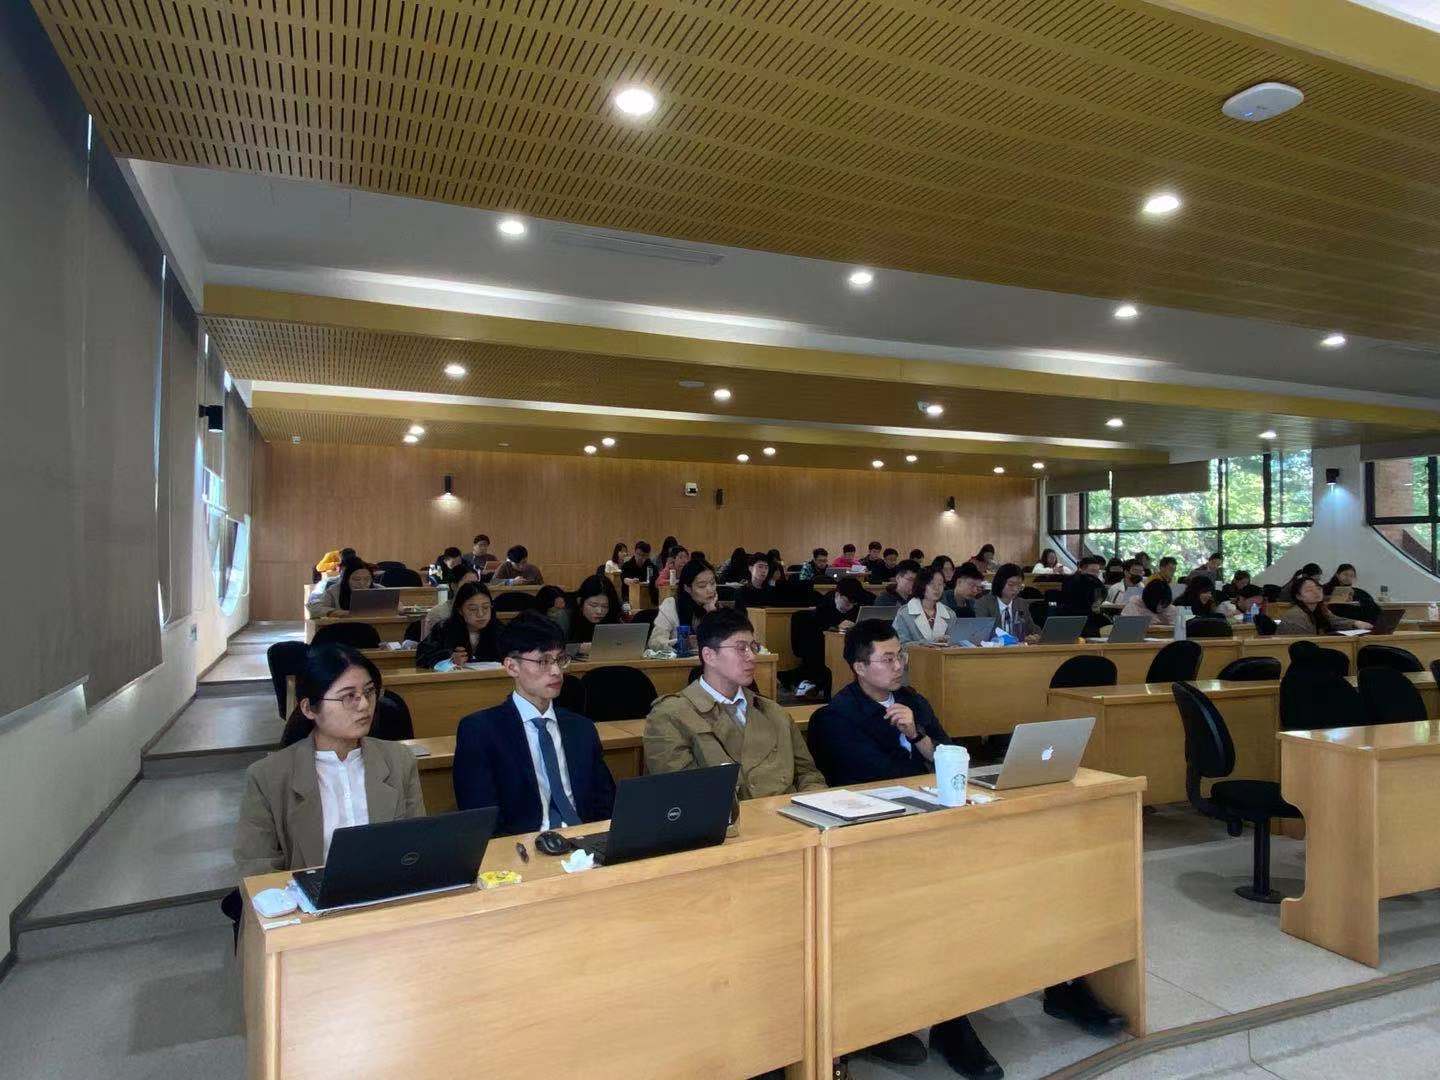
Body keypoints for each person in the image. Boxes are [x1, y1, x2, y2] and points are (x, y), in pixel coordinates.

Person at [807, 621, 1121, 1073]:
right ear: (859, 667)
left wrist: (919, 735)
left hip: (941, 820)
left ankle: (1065, 982)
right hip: (886, 841)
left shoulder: (913, 701)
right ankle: (951, 1021)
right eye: (887, 659)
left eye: (901, 656)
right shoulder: (836, 717)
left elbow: (954, 755)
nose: (899, 666)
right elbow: (875, 779)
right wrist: (923, 751)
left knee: (1043, 873)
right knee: (956, 905)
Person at [234, 645, 426, 878]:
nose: (364, 705)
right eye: (348, 696)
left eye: (369, 692)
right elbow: (258, 871)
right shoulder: (267, 777)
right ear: (309, 708)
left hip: (388, 891)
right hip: (305, 897)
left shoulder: (399, 760)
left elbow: (416, 849)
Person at [452, 614, 616, 836]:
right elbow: (480, 820)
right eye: (543, 661)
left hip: (586, 840)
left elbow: (606, 804)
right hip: (522, 846)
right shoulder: (480, 731)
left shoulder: (581, 728)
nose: (556, 671)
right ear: (512, 667)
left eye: (560, 660)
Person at [643, 608, 825, 799]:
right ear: (709, 655)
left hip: (789, 815)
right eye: (741, 648)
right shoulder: (670, 716)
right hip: (728, 817)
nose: (752, 656)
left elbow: (809, 775)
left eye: (753, 647)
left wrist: (814, 808)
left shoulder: (774, 712)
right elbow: (686, 797)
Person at [416, 582, 501, 669]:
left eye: (486, 607)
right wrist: (448, 659)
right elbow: (422, 657)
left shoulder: (499, 631)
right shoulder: (444, 630)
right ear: (460, 610)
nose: (480, 614)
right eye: (473, 609)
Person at [649, 558, 724, 650]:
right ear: (687, 588)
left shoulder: (717, 607)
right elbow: (655, 642)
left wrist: (711, 614)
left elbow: (725, 642)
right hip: (679, 659)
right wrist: (682, 642)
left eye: (712, 583)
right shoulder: (671, 605)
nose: (710, 590)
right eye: (702, 586)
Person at [1278, 576, 1370, 635]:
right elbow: (1304, 643)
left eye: (1318, 588)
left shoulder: (1320, 609)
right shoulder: (1295, 615)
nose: (1316, 592)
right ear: (1298, 596)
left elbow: (1335, 620)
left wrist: (1355, 623)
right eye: (1309, 590)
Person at [975, 563, 1039, 641]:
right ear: (1000, 583)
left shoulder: (1021, 604)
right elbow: (983, 634)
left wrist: (1035, 636)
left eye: (1019, 586)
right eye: (1011, 585)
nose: (1015, 589)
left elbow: (1032, 629)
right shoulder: (983, 603)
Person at [893, 565, 955, 645]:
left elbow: (954, 644)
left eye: (940, 584)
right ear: (921, 585)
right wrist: (931, 643)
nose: (937, 588)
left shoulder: (950, 614)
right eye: (931, 584)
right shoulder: (904, 613)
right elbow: (899, 645)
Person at [306, 559, 376, 619]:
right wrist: (336, 612)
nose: (362, 583)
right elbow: (314, 607)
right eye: (357, 579)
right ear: (347, 580)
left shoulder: (378, 589)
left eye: (367, 579)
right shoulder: (334, 590)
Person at [421, 567, 479, 637]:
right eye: (468, 584)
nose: (473, 588)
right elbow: (429, 643)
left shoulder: (482, 612)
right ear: (453, 586)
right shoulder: (438, 613)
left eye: (476, 584)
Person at [567, 575, 622, 647]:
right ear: (580, 601)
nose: (599, 611)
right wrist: (577, 648)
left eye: (605, 606)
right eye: (593, 605)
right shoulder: (565, 617)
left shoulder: (612, 615)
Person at [1056, 555, 1106, 620]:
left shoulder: (1095, 583)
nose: (1095, 575)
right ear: (1081, 569)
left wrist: (1098, 602)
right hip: (1073, 617)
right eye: (1092, 571)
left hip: (1087, 617)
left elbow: (1101, 594)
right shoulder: (1073, 581)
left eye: (1097, 572)